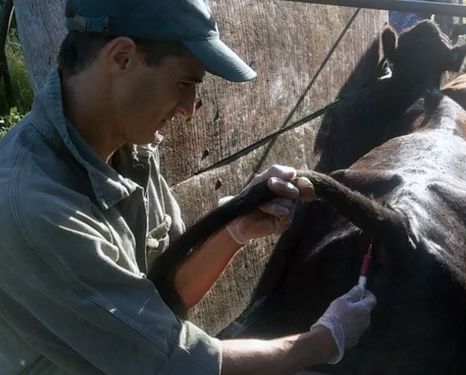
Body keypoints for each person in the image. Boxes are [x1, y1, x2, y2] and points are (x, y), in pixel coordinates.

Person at [0, 0, 377, 374]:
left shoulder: (129, 155)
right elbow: (178, 364)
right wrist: (324, 342)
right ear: (122, 57)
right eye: (184, 83)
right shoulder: (33, 207)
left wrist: (233, 229)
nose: (190, 108)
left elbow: (164, 297)